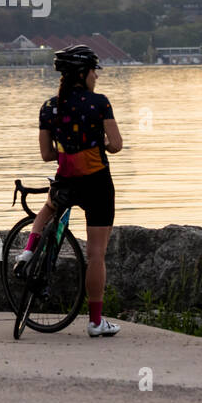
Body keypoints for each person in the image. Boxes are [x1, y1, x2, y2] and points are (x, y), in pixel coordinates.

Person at [14, 44, 124, 337]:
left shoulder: (49, 107)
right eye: (94, 72)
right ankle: (96, 322)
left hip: (66, 180)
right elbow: (116, 145)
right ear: (84, 73)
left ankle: (27, 252)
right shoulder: (100, 104)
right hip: (98, 184)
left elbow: (46, 155)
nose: (97, 78)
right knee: (96, 255)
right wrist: (96, 143)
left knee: (49, 209)